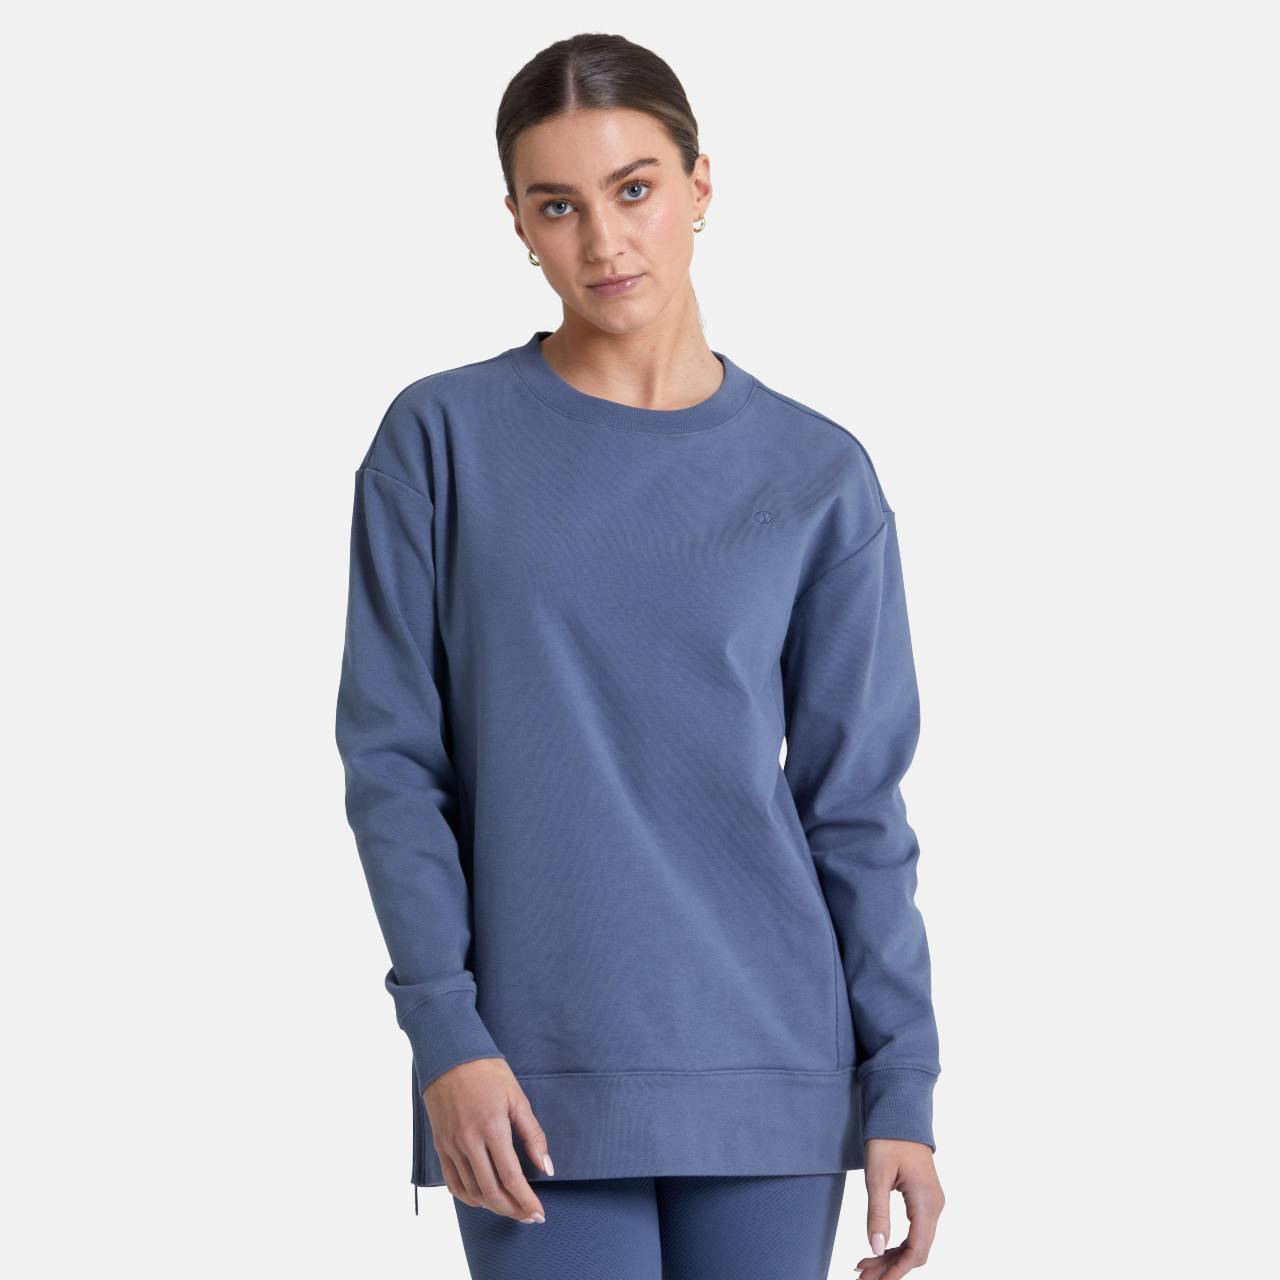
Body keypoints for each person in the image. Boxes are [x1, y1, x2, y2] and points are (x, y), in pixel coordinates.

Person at [335, 31, 945, 1280]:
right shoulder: (439, 440)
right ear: (517, 222)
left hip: (771, 1061)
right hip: (525, 1064)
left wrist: (902, 1084)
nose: (604, 241)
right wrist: (443, 1031)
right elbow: (393, 764)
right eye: (558, 204)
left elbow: (854, 807)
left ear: (699, 185)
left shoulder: (816, 476)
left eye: (633, 189)